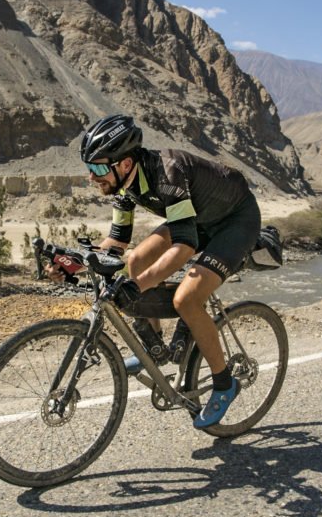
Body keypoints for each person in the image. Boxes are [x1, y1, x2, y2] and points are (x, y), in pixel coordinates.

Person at [46, 114, 261, 429]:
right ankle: (156, 348)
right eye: (89, 168)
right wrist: (74, 261)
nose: (92, 177)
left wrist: (137, 286)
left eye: (98, 168)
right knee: (136, 261)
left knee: (186, 299)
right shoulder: (125, 185)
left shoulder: (168, 173)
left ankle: (224, 382)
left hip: (236, 221)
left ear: (125, 164)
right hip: (198, 217)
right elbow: (117, 241)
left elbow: (185, 246)